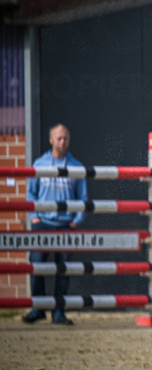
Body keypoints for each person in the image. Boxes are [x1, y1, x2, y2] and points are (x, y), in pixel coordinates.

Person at [23, 123, 87, 326]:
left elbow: (83, 198)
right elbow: (30, 192)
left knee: (63, 269)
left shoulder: (76, 167)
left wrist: (76, 221)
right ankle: (38, 308)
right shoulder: (39, 164)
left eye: (65, 138)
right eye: (59, 138)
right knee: (37, 265)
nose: (62, 142)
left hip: (64, 224)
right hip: (42, 223)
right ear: (51, 140)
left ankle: (58, 312)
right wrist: (34, 217)